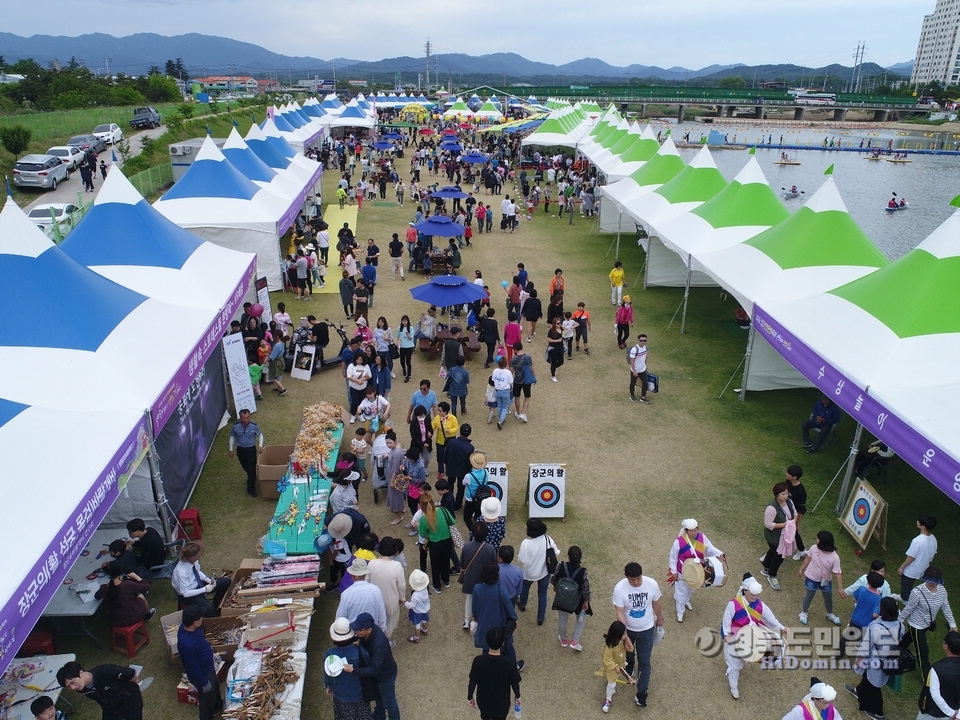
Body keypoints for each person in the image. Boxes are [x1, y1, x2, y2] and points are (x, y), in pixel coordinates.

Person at [721, 574, 786, 699]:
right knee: (735, 665)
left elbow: (770, 618)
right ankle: (734, 686)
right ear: (745, 590)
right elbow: (726, 622)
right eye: (752, 594)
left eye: (756, 595)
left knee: (774, 648)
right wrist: (727, 636)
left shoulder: (759, 604)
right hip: (736, 637)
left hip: (753, 636)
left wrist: (782, 627)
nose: (755, 597)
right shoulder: (733, 604)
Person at [612, 561, 664, 708]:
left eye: (638, 578)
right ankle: (630, 664)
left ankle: (642, 692)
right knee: (628, 651)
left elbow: (657, 603)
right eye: (632, 579)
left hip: (647, 629)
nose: (636, 582)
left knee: (645, 661)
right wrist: (624, 633)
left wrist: (659, 619)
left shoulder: (651, 584)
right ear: (626, 576)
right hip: (629, 629)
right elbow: (620, 612)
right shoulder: (620, 588)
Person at [845, 596, 902, 720]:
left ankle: (878, 712)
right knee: (868, 678)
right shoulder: (900, 624)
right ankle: (859, 691)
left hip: (875, 659)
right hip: (889, 658)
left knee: (875, 686)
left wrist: (860, 658)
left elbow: (866, 645)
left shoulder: (875, 626)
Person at [901, 567, 958, 679]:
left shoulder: (942, 591)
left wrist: (952, 624)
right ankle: (927, 679)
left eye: (934, 582)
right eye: (929, 581)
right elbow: (909, 608)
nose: (932, 584)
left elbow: (946, 607)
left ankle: (894, 650)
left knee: (908, 639)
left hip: (928, 623)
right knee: (923, 651)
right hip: (916, 624)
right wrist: (900, 620)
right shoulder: (917, 592)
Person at [667, 518, 725, 623]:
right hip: (683, 571)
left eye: (695, 530)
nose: (694, 533)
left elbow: (710, 549)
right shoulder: (679, 542)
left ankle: (686, 600)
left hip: (698, 571)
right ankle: (680, 611)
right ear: (686, 530)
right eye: (691, 531)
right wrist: (674, 572)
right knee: (681, 592)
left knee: (691, 589)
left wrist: (719, 554)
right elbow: (673, 557)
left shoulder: (702, 537)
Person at [348, 612, 399, 720]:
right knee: (378, 696)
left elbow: (374, 669)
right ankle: (379, 715)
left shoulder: (378, 643)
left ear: (368, 630)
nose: (356, 632)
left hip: (385, 677)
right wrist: (359, 644)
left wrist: (353, 670)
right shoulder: (367, 634)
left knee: (390, 703)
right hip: (378, 676)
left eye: (359, 630)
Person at [472, 562, 523, 671]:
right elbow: (509, 606)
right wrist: (515, 618)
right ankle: (514, 667)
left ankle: (487, 669)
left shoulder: (477, 588)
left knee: (486, 648)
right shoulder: (500, 589)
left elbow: (474, 608)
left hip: (484, 623)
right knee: (508, 647)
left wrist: (476, 616)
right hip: (500, 623)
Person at [322, 618, 373, 720]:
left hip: (340, 695)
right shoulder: (361, 652)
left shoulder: (329, 654)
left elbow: (327, 673)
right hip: (359, 693)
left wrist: (328, 685)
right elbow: (368, 669)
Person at [468, 627, 522, 720]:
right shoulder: (509, 663)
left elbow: (473, 680)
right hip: (501, 704)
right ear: (502, 643)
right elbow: (514, 683)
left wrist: (470, 697)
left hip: (483, 702)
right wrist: (517, 696)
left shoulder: (478, 661)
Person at [57, 661, 143, 720]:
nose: (72, 688)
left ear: (81, 673)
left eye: (72, 682)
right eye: (68, 686)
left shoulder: (105, 671)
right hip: (110, 708)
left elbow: (130, 673)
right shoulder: (80, 687)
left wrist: (134, 683)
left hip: (131, 702)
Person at [177, 605, 221, 720]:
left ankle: (217, 707)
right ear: (195, 622)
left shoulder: (186, 627)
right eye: (201, 617)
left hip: (208, 666)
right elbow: (192, 668)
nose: (203, 618)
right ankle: (207, 716)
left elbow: (198, 639)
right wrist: (203, 682)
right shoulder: (188, 646)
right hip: (202, 673)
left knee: (214, 688)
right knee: (206, 698)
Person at [797, 530, 845, 626]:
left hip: (826, 581)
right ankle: (804, 613)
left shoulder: (835, 557)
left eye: (818, 538)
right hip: (811, 578)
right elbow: (808, 558)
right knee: (809, 596)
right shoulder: (814, 548)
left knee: (828, 599)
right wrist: (801, 569)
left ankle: (829, 614)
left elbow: (838, 572)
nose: (816, 540)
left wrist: (840, 587)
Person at [517, 518, 558, 626]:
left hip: (528, 573)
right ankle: (540, 618)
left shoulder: (525, 543)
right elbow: (556, 552)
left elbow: (521, 560)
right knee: (542, 594)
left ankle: (522, 604)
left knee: (524, 589)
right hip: (544, 572)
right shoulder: (547, 538)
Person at [171, 541, 230, 617]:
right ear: (191, 557)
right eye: (197, 555)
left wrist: (208, 580)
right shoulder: (181, 572)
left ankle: (216, 605)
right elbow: (185, 593)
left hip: (198, 583)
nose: (199, 557)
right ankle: (214, 616)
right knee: (209, 608)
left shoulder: (193, 561)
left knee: (226, 582)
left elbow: (197, 571)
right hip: (189, 594)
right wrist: (205, 589)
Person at [551, 545, 592, 651]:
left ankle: (563, 639)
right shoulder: (583, 571)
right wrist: (586, 601)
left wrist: (555, 587)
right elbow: (585, 588)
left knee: (562, 618)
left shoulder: (561, 565)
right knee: (580, 619)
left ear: (568, 556)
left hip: (562, 598)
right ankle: (575, 641)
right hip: (578, 600)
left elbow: (554, 578)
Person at [460, 521, 498, 630]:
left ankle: (467, 621)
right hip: (485, 579)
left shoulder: (467, 546)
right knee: (483, 600)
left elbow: (462, 563)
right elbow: (494, 564)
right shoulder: (490, 548)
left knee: (470, 597)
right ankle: (479, 620)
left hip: (470, 577)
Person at [761, 482, 797, 591]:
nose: (785, 496)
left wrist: (793, 522)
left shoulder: (789, 502)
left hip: (785, 535)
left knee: (773, 552)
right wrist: (785, 524)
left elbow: (794, 513)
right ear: (777, 494)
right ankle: (772, 575)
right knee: (779, 556)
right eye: (783, 494)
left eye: (787, 493)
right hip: (775, 537)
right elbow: (768, 524)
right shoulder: (772, 508)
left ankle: (766, 567)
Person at [418, 493, 456, 593]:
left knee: (435, 564)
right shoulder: (443, 510)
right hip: (447, 540)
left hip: (434, 544)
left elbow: (422, 534)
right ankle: (446, 580)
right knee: (446, 561)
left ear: (421, 506)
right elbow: (453, 521)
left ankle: (437, 586)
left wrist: (417, 525)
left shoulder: (423, 519)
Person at [917, 630, 960, 719]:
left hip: (934, 713)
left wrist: (951, 713)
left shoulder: (937, 668)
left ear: (946, 647)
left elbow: (935, 694)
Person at [337, 559, 388, 633]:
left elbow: (340, 617)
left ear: (354, 575)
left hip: (353, 632)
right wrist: (381, 630)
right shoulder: (376, 590)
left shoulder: (346, 594)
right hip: (372, 631)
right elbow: (382, 614)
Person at [595, 621, 636, 714]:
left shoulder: (621, 641)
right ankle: (607, 700)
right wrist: (614, 667)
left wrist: (629, 645)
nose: (625, 635)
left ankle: (610, 690)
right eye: (624, 634)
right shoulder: (609, 647)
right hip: (612, 668)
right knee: (612, 683)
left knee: (614, 681)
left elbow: (628, 649)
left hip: (619, 664)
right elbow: (607, 660)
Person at [897, 514, 939, 601]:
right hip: (924, 567)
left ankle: (905, 600)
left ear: (923, 526)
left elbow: (911, 557)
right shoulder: (933, 538)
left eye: (919, 521)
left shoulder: (917, 541)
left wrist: (902, 567)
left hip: (912, 569)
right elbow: (933, 554)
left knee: (906, 587)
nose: (917, 521)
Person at [228, 409, 263, 497]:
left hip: (251, 449)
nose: (246, 420)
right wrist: (231, 449)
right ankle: (252, 476)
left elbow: (260, 435)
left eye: (248, 417)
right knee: (244, 465)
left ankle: (251, 488)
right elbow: (232, 436)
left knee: (251, 467)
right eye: (244, 418)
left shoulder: (254, 426)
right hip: (240, 450)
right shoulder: (235, 426)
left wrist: (260, 445)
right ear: (240, 418)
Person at [444, 424, 474, 511]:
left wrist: (446, 465)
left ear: (460, 431)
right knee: (461, 488)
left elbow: (445, 455)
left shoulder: (451, 442)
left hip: (451, 467)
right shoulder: (470, 447)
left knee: (450, 484)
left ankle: (449, 501)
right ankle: (457, 504)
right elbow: (469, 462)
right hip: (463, 470)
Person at [431, 401, 459, 480]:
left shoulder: (452, 418)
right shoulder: (437, 418)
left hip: (451, 439)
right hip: (440, 440)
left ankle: (449, 468)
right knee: (440, 456)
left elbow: (456, 428)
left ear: (445, 411)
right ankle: (441, 471)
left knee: (450, 455)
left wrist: (450, 431)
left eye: (440, 410)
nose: (438, 412)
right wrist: (430, 430)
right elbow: (433, 426)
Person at [786, 465, 808, 561]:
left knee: (792, 531)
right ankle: (802, 550)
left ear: (794, 477)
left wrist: (797, 523)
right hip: (785, 510)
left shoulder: (801, 492)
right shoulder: (788, 482)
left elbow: (801, 509)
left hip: (793, 514)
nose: (786, 474)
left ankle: (802, 550)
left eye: (788, 473)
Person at [403, 569, 431, 642]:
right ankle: (425, 630)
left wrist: (404, 603)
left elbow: (411, 605)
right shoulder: (425, 589)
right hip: (425, 609)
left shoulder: (415, 595)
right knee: (425, 621)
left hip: (417, 612)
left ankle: (416, 637)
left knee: (417, 625)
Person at [491, 357, 514, 430]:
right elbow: (510, 382)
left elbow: (493, 379)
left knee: (500, 406)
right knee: (505, 406)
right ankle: (501, 420)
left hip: (497, 390)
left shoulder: (495, 371)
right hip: (505, 391)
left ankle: (500, 418)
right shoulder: (508, 372)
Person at [628, 333, 651, 404]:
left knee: (645, 383)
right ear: (638, 340)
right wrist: (634, 371)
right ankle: (632, 395)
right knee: (633, 383)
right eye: (641, 340)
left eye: (644, 340)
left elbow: (645, 357)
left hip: (643, 369)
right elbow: (632, 361)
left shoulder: (646, 347)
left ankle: (643, 397)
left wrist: (646, 366)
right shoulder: (634, 349)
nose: (643, 342)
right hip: (635, 370)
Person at [545, 316, 564, 382]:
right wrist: (557, 340)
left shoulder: (561, 329)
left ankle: (553, 368)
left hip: (560, 347)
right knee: (554, 361)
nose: (559, 325)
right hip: (553, 349)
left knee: (561, 362)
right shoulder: (551, 331)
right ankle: (553, 376)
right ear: (554, 324)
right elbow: (548, 339)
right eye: (558, 323)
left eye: (560, 323)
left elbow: (564, 335)